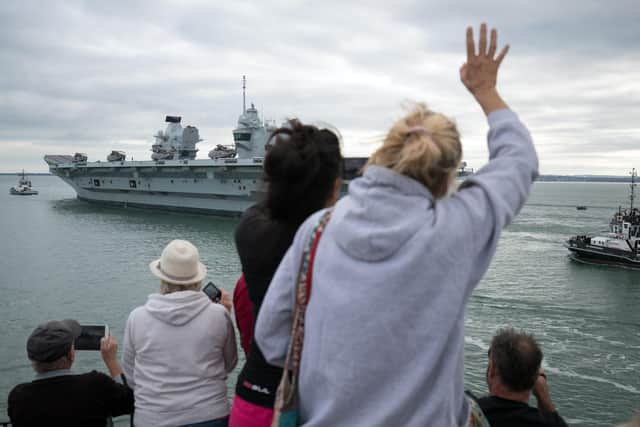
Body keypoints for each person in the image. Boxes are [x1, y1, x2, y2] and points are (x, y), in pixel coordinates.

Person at [255, 23, 538, 426]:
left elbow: (271, 338)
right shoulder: (455, 230)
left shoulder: (317, 230)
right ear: (445, 178)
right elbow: (519, 160)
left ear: (383, 152)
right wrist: (485, 90)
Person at [229, 119, 344, 427]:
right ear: (335, 187)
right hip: (325, 401)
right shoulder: (339, 244)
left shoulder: (249, 230)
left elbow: (264, 208)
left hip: (256, 396)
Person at [122, 239, 238, 427]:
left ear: (162, 277)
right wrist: (225, 315)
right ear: (197, 278)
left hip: (152, 418)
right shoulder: (218, 315)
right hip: (210, 414)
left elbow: (131, 376)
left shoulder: (137, 318)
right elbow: (230, 364)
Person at [7, 319, 133, 426]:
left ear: (32, 358)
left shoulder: (18, 397)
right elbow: (129, 403)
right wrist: (111, 360)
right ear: (71, 355)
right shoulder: (95, 385)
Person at [475, 328, 568, 427]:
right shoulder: (543, 423)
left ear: (492, 368)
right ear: (535, 378)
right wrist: (543, 396)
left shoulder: (466, 413)